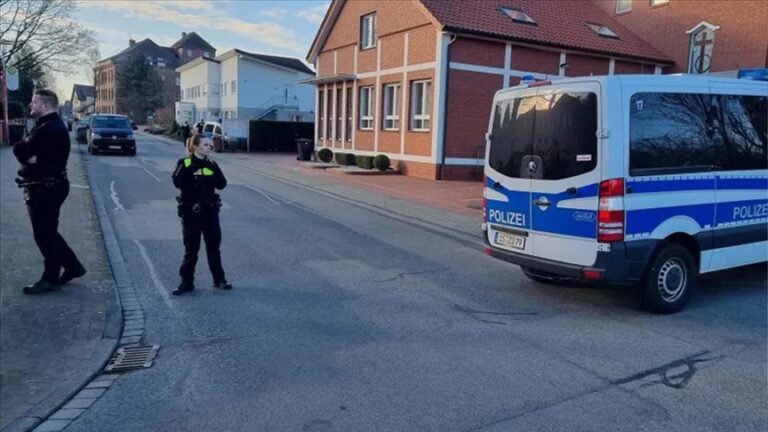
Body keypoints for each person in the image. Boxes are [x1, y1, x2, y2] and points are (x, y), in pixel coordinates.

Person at [13, 89, 86, 295]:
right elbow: (23, 151)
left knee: (44, 236)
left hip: (46, 188)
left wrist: (29, 156)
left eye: (34, 102)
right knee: (48, 233)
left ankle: (51, 277)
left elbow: (20, 150)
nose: (31, 105)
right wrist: (28, 156)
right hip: (46, 186)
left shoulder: (49, 129)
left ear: (45, 105)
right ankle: (72, 266)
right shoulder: (47, 125)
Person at [171, 134, 231, 295]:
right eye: (205, 144)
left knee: (214, 247)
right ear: (195, 146)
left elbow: (222, 184)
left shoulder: (212, 164)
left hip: (210, 212)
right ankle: (186, 283)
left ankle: (219, 280)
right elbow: (177, 182)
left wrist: (210, 173)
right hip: (191, 212)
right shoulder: (184, 163)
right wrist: (194, 174)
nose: (209, 147)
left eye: (210, 144)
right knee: (191, 249)